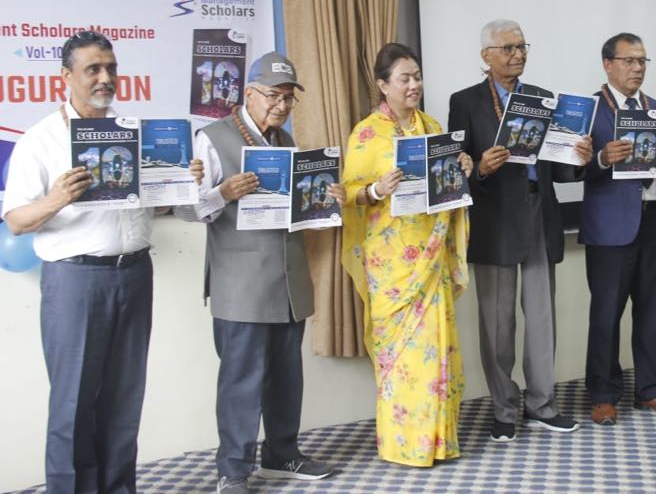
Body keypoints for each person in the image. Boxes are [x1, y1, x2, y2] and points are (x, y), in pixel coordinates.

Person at [1, 30, 203, 493]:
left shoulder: (136, 133)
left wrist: (182, 181)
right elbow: (16, 221)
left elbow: (156, 205)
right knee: (72, 402)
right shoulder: (41, 139)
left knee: (124, 397)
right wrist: (56, 199)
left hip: (134, 273)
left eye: (110, 68)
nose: (105, 77)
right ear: (66, 76)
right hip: (75, 281)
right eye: (93, 68)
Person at [186, 51, 340, 493]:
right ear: (249, 93)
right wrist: (222, 192)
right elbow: (186, 209)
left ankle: (282, 453)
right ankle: (233, 470)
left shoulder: (286, 141)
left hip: (288, 280)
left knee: (287, 377)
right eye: (273, 95)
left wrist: (322, 202)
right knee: (241, 380)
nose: (281, 105)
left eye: (289, 98)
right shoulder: (212, 138)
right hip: (241, 285)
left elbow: (294, 210)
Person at [448, 19, 593, 443]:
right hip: (494, 219)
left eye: (522, 47)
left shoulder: (543, 98)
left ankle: (542, 405)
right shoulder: (465, 101)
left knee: (542, 318)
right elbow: (456, 168)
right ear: (486, 56)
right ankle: (504, 409)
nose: (518, 54)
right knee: (498, 324)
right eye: (508, 48)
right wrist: (481, 168)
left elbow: (559, 167)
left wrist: (580, 158)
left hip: (539, 214)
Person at [341, 42, 472, 467]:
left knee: (436, 352)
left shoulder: (432, 127)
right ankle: (403, 445)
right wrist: (376, 189)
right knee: (402, 359)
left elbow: (447, 185)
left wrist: (461, 168)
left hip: (431, 258)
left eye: (417, 76)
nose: (414, 85)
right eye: (404, 78)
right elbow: (347, 193)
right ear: (383, 85)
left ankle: (439, 442)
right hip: (391, 266)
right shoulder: (366, 134)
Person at [579, 32, 656, 426]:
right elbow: (568, 170)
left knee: (651, 312)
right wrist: (602, 158)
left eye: (642, 61)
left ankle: (650, 389)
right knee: (606, 315)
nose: (637, 68)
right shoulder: (590, 110)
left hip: (654, 220)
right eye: (629, 60)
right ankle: (603, 395)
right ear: (608, 64)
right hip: (610, 229)